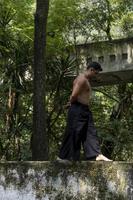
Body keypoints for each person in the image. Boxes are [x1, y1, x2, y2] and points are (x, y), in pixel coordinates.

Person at [58, 61, 112, 161]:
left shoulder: (86, 80)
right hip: (77, 108)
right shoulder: (81, 79)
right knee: (74, 131)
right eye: (95, 73)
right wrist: (70, 103)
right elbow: (74, 95)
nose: (96, 75)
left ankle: (95, 155)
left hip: (85, 110)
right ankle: (64, 157)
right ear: (91, 70)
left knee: (90, 131)